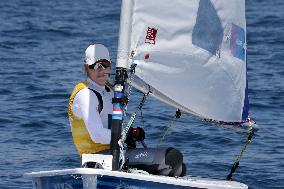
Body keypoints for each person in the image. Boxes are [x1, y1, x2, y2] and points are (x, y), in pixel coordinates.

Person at [68, 44, 113, 155]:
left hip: (115, 152)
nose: (101, 70)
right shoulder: (85, 95)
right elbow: (97, 135)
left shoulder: (110, 91)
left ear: (110, 66)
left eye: (105, 65)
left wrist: (132, 133)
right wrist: (124, 136)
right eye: (96, 66)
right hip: (95, 159)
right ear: (86, 68)